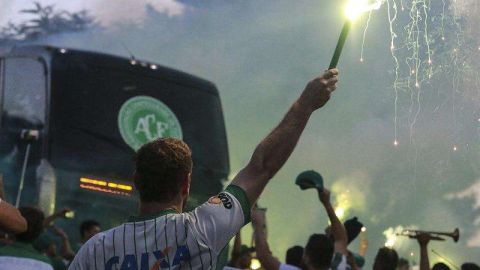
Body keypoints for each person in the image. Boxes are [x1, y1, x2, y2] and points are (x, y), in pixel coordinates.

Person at [68, 68, 340, 270]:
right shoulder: (202, 229)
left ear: (136, 181)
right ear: (186, 185)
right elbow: (261, 167)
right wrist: (305, 105)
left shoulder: (95, 250)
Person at [252, 187, 349, 270]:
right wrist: (327, 204)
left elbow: (264, 257)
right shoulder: (338, 266)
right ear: (331, 257)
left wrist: (258, 224)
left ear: (306, 257)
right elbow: (341, 239)